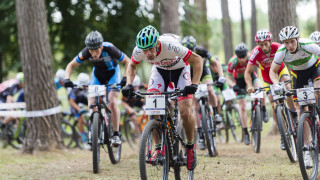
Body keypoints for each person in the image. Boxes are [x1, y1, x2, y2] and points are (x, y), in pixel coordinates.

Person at [122, 25, 203, 171]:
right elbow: (132, 65)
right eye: (144, 50)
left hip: (180, 70)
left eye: (150, 49)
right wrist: (129, 83)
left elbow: (198, 60)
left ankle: (190, 147)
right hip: (159, 71)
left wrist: (195, 84)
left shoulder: (170, 46)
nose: (147, 54)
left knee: (185, 112)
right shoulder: (139, 50)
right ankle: (158, 148)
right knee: (152, 109)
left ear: (157, 44)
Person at [64, 30, 130, 147]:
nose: (94, 53)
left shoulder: (109, 48)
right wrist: (67, 79)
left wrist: (125, 78)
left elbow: (127, 61)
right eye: (91, 50)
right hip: (97, 76)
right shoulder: (86, 52)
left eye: (96, 50)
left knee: (113, 101)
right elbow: (71, 65)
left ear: (101, 46)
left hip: (113, 74)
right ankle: (93, 128)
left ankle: (116, 134)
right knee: (92, 102)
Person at [270, 26, 320, 168]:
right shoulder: (281, 51)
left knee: (317, 90)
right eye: (286, 42)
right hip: (298, 74)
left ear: (298, 39)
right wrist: (276, 84)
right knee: (302, 110)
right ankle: (307, 151)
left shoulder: (307, 44)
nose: (290, 46)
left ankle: (317, 114)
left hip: (315, 68)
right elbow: (272, 71)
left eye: (292, 41)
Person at [245, 28, 295, 150]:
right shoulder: (255, 52)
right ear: (258, 44)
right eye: (261, 45)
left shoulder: (278, 47)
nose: (264, 47)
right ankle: (283, 134)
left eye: (266, 44)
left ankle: (294, 114)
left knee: (287, 87)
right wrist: (250, 86)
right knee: (274, 103)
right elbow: (248, 72)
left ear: (270, 41)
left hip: (281, 70)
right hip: (267, 76)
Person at [181, 36, 225, 150]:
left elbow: (215, 63)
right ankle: (200, 135)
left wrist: (221, 76)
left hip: (203, 71)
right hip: (189, 74)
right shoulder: (180, 53)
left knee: (210, 89)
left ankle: (216, 113)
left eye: (193, 51)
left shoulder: (202, 51)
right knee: (195, 105)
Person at [226, 43, 266, 145]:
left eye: (244, 57)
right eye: (240, 58)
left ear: (246, 55)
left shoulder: (251, 57)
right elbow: (228, 78)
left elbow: (262, 66)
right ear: (237, 56)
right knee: (242, 106)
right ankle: (246, 133)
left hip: (251, 76)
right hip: (239, 81)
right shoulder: (233, 62)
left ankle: (264, 109)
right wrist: (233, 85)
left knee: (260, 87)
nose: (243, 60)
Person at [68, 73, 90, 149]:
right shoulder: (75, 87)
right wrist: (79, 109)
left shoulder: (87, 84)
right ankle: (84, 140)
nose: (86, 87)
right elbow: (71, 101)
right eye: (85, 86)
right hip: (74, 102)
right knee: (81, 118)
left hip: (81, 98)